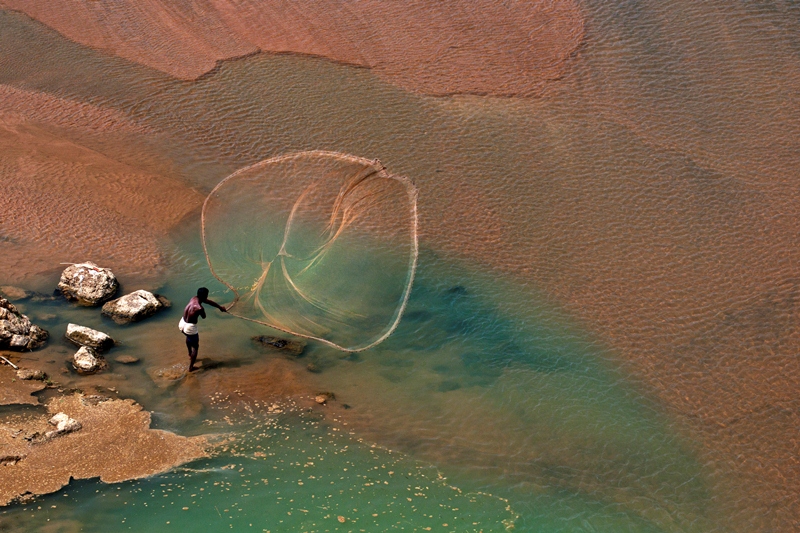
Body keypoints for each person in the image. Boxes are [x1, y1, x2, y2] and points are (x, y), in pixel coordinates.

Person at [178, 287, 227, 371]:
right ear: (205, 296)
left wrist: (220, 307)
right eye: (207, 296)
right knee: (196, 347)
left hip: (182, 323)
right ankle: (191, 367)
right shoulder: (200, 308)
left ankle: (189, 354)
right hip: (190, 327)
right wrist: (202, 311)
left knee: (188, 337)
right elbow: (204, 317)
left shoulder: (194, 298)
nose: (207, 298)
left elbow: (209, 302)